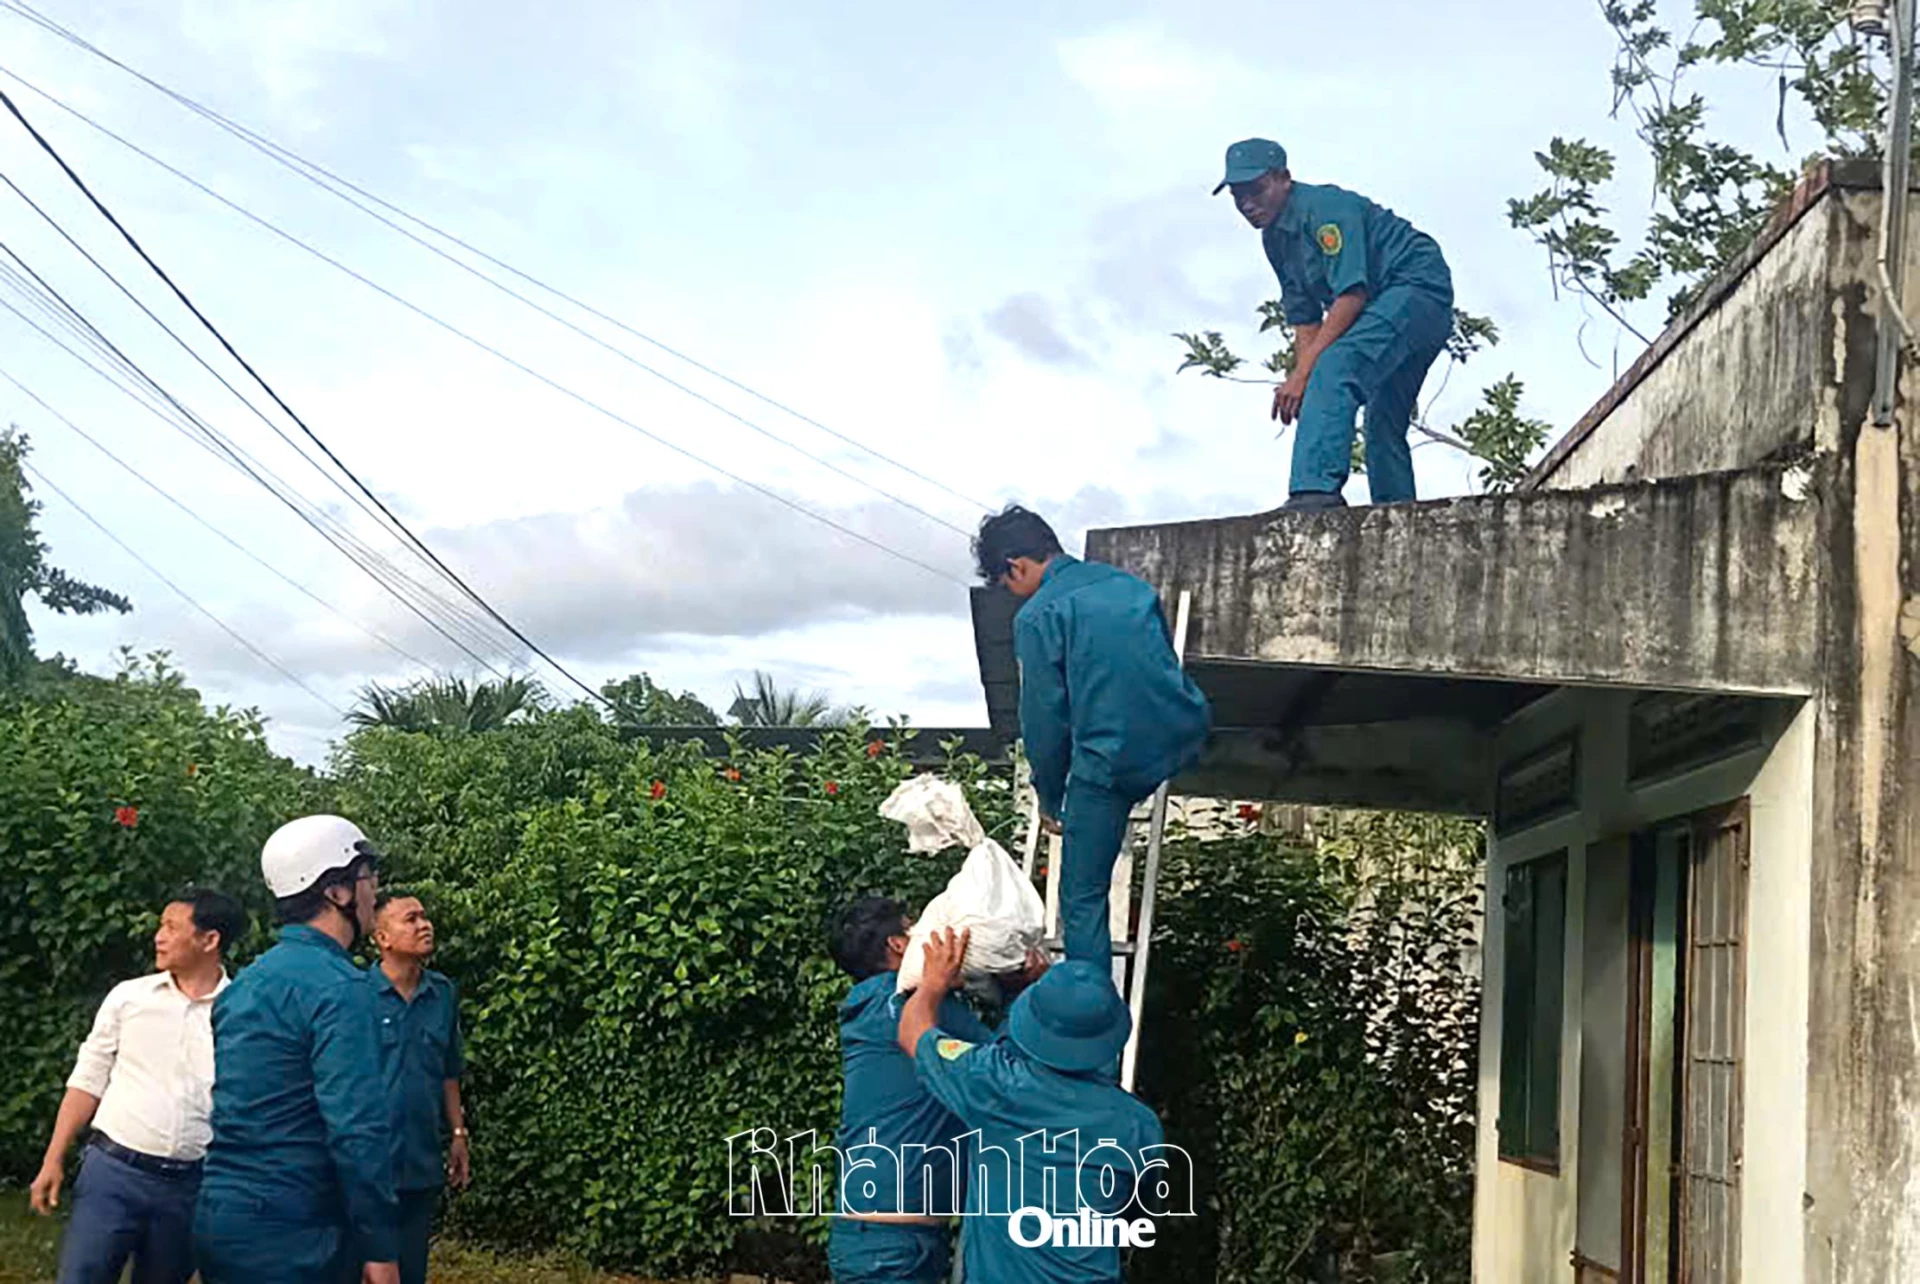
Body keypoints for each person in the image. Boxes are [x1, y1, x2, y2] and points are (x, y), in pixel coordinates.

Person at [973, 505, 1210, 966]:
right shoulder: (1130, 587)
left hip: (1107, 762)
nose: (1014, 596)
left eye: (1007, 585)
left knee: (1081, 900)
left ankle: (1087, 1018)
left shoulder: (1038, 616)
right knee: (1118, 765)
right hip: (1179, 732)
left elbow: (1044, 721)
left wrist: (1048, 797)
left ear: (1015, 566)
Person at [193, 814, 401, 1284]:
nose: (376, 892)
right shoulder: (342, 989)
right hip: (298, 1234)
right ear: (337, 891)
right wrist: (380, 1247)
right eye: (369, 877)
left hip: (220, 1215)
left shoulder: (247, 984)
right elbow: (356, 1129)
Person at [899, 929, 1163, 1282]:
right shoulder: (1139, 1125)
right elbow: (1136, 1217)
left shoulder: (993, 1084)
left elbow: (912, 1031)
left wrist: (933, 983)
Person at [1215, 137, 1455, 509]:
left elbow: (1350, 297)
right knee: (1381, 418)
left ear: (1284, 179)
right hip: (1388, 305)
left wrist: (1305, 374)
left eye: (1256, 190)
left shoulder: (1326, 210)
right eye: (1237, 195)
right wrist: (1304, 378)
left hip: (1417, 289)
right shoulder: (1275, 239)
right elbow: (1305, 319)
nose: (1247, 204)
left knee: (1337, 366)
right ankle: (1397, 511)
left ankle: (1314, 494)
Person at [29, 889, 247, 1284]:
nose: (158, 937)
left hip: (191, 1186)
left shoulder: (241, 1010)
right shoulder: (129, 998)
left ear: (209, 939)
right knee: (82, 1276)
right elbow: (88, 1078)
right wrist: (53, 1157)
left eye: (171, 927)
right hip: (113, 1173)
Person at [827, 896, 1044, 1284]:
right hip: (891, 1248)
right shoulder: (907, 1005)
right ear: (897, 945)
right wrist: (1022, 993)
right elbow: (1002, 1068)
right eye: (913, 929)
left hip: (886, 1242)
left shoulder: (878, 1007)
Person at [366, 892, 470, 1284]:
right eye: (411, 919)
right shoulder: (355, 995)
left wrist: (458, 1133)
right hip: (367, 1163)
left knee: (410, 1270)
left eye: (425, 917)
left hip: (420, 1159)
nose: (424, 925)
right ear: (382, 938)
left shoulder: (442, 994)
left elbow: (448, 1069)